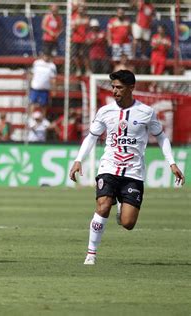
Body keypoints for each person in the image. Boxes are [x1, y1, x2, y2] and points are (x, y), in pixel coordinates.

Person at [68, 70, 185, 265]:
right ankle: (91, 254)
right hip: (109, 166)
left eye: (119, 87)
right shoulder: (105, 111)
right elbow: (92, 137)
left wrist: (172, 163)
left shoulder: (146, 112)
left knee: (128, 223)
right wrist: (79, 159)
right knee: (103, 204)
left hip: (134, 171)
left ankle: (121, 205)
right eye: (113, 87)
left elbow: (162, 137)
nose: (115, 91)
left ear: (131, 88)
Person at [71, 5, 90, 75]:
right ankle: (78, 69)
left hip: (84, 40)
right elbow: (73, 28)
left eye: (82, 9)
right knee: (75, 55)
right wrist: (77, 24)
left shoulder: (86, 18)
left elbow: (88, 28)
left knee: (85, 56)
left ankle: (87, 70)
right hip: (76, 39)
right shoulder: (74, 17)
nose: (81, 10)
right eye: (80, 9)